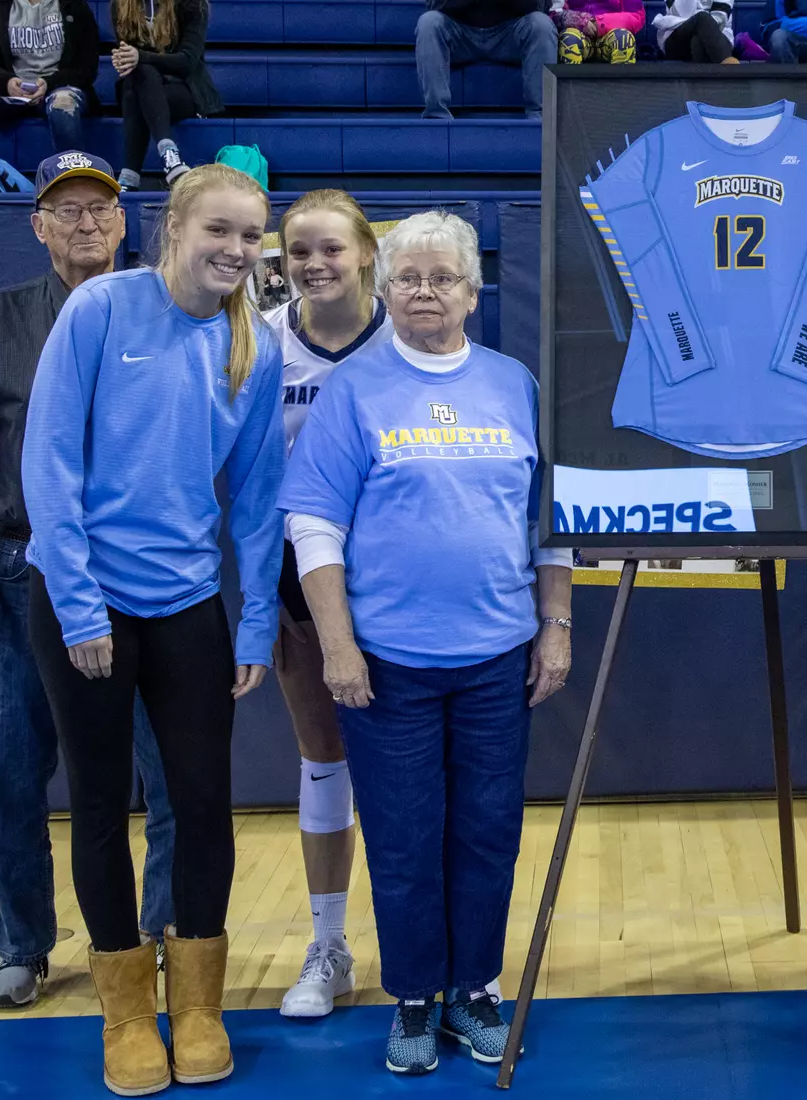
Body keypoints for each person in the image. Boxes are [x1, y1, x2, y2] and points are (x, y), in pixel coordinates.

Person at [278, 210, 572, 1075]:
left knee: (486, 832)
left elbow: (548, 523)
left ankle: (475, 989)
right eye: (408, 278)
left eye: (443, 278)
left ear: (473, 295)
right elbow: (314, 524)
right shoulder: (355, 392)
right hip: (389, 664)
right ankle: (412, 998)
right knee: (405, 837)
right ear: (386, 288)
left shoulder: (515, 384)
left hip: (496, 659)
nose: (423, 292)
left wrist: (556, 625)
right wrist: (337, 645)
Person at [22, 163, 283, 1097]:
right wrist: (82, 606)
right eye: (220, 231)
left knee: (204, 803)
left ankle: (199, 1005)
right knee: (99, 803)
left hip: (186, 608)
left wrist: (253, 626)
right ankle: (127, 1012)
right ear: (169, 230)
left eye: (252, 237)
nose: (237, 251)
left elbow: (257, 498)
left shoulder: (254, 343)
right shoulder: (98, 313)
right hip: (85, 603)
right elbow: (48, 457)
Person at [0, 151, 177, 1012]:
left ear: (126, 221)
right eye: (65, 211)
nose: (85, 224)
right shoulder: (0, 317)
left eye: (100, 209)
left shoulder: (166, 309)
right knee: (8, 777)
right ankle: (24, 944)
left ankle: (167, 936)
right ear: (36, 226)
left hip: (142, 571)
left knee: (167, 769)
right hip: (27, 567)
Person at [262, 189, 392, 1019]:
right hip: (301, 578)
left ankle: (437, 949)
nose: (315, 264)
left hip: (406, 581)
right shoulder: (262, 346)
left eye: (331, 249)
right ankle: (329, 944)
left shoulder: (412, 338)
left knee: (411, 768)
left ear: (365, 254)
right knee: (324, 757)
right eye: (299, 251)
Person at [0, 0, 98, 193]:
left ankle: (74, 186)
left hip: (58, 86)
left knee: (63, 105)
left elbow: (87, 67)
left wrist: (49, 83)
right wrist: (7, 82)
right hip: (11, 88)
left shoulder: (75, 6)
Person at [109, 0, 222, 190]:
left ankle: (130, 175)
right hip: (140, 89)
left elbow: (187, 62)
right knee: (140, 75)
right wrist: (124, 59)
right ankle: (170, 159)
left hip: (184, 90)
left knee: (139, 78)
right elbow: (132, 60)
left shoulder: (193, 4)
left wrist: (140, 57)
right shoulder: (120, 5)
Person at [416, 0, 558, 121]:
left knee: (542, 24)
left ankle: (541, 117)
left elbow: (541, 6)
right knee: (429, 22)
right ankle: (437, 116)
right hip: (459, 33)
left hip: (510, 34)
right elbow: (433, 4)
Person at [551, 0, 641, 64]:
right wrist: (578, 20)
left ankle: (622, 89)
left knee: (623, 39)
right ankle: (572, 89)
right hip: (579, 33)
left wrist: (599, 23)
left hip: (609, 33)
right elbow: (554, 12)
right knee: (569, 39)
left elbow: (636, 16)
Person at [654, 0, 740, 63]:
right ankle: (730, 70)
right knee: (701, 18)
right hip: (678, 39)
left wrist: (701, 25)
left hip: (717, 36)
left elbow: (720, 17)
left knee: (698, 41)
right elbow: (683, 13)